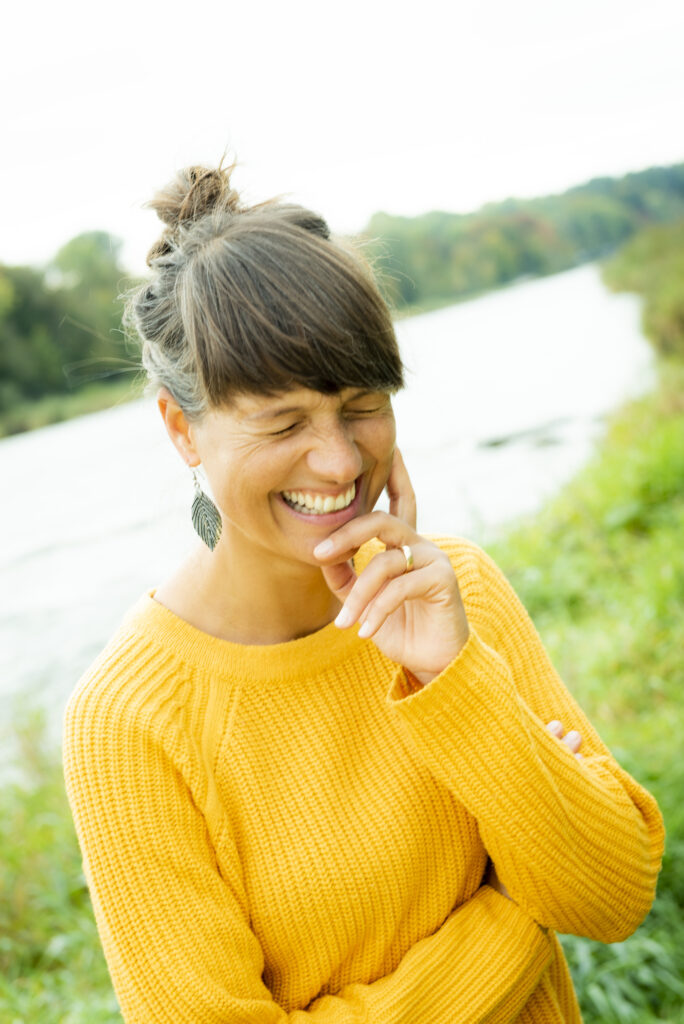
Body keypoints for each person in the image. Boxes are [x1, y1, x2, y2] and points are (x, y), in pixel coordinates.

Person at [63, 163, 664, 1024]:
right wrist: (511, 920)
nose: (341, 462)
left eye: (361, 404)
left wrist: (454, 677)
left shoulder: (455, 594)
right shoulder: (130, 722)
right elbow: (559, 902)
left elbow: (611, 895)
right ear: (180, 428)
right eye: (283, 423)